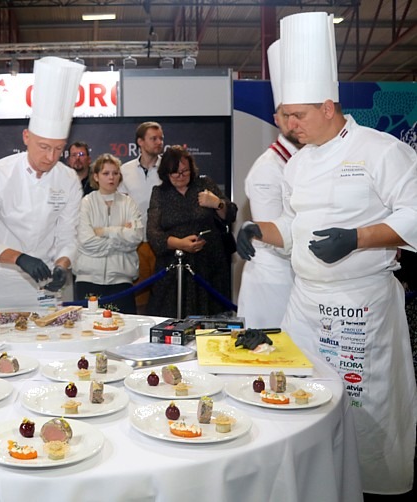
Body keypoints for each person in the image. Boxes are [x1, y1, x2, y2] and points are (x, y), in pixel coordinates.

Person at [236, 12, 416, 496]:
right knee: (300, 395)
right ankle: (315, 483)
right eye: (285, 116)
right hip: (306, 303)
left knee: (365, 403)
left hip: (361, 303)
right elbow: (299, 231)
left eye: (299, 116)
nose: (289, 126)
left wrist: (356, 238)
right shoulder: (299, 165)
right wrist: (259, 228)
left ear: (329, 105)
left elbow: (414, 213)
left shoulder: (381, 151)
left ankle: (374, 485)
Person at [0, 57, 85, 309]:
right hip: (2, 280)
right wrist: (19, 258)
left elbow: (68, 234)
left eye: (58, 149)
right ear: (26, 137)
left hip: (46, 283)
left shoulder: (67, 179)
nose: (50, 157)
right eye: (44, 147)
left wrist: (62, 265)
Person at [236, 40, 300, 328]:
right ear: (276, 119)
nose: (296, 123)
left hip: (297, 279)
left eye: (301, 114)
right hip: (275, 283)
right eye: (288, 116)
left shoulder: (305, 160)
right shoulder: (267, 169)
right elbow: (276, 236)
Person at [147, 145, 237, 318]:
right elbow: (153, 234)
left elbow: (231, 214)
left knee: (212, 320)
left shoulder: (205, 185)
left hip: (210, 267)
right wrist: (180, 244)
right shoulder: (160, 193)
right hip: (174, 268)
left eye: (185, 171)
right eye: (175, 172)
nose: (181, 176)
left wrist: (217, 203)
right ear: (166, 173)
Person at [74, 153, 143, 313]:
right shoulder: (85, 203)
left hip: (121, 280)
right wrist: (121, 235)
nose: (111, 177)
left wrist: (105, 231)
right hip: (88, 279)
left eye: (115, 173)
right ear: (96, 176)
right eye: (106, 173)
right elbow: (86, 241)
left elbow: (135, 237)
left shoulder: (128, 203)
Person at [118, 121, 164, 312]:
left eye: (161, 138)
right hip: (136, 244)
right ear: (140, 142)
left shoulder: (168, 170)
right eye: (154, 138)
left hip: (163, 242)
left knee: (164, 296)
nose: (159, 142)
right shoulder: (124, 170)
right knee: (139, 300)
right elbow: (119, 204)